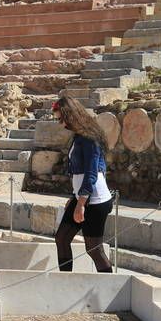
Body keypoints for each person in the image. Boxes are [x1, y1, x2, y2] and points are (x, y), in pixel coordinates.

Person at [51, 96, 114, 273]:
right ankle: (66, 284)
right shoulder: (79, 136)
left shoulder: (90, 138)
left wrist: (80, 203)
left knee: (94, 249)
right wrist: (75, 198)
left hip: (95, 200)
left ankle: (110, 289)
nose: (60, 124)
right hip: (81, 197)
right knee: (62, 238)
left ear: (70, 115)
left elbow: (91, 173)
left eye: (61, 119)